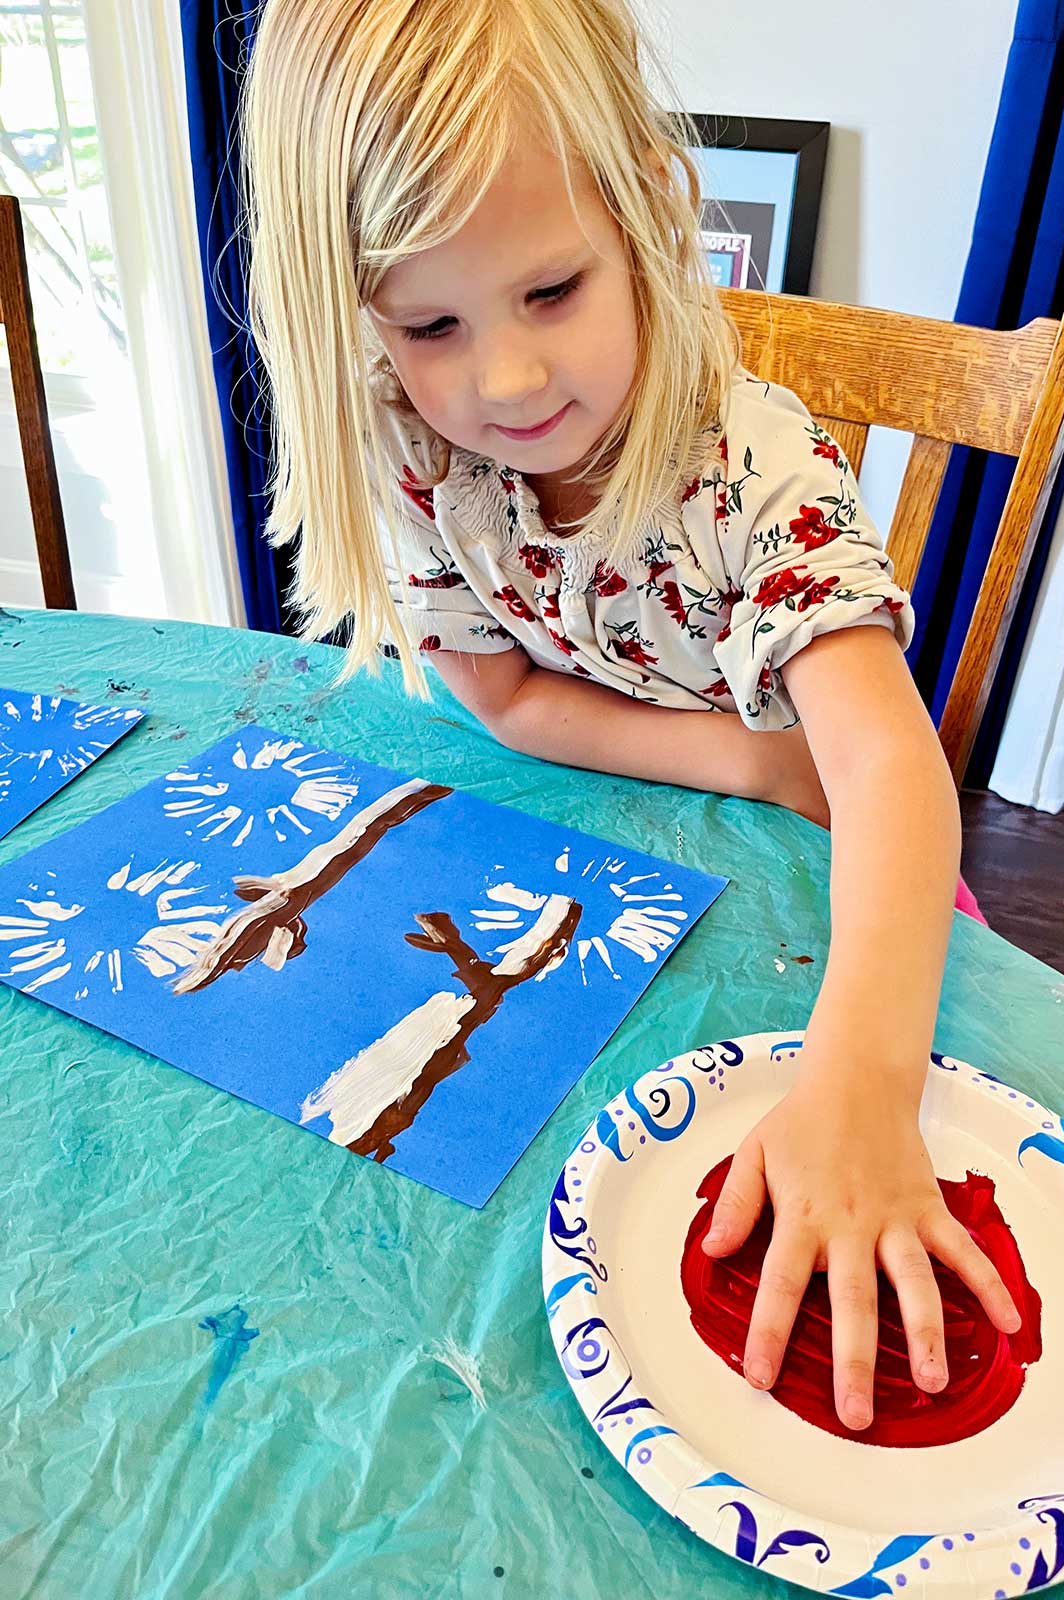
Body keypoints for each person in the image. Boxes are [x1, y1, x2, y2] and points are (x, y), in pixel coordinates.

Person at [242, 0, 1020, 1433]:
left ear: (651, 211)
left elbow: (893, 781)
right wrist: (741, 753)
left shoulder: (758, 466)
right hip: (632, 874)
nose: (508, 380)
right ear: (361, 318)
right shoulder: (416, 445)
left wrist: (862, 1083)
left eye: (551, 292)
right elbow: (501, 694)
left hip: (866, 909)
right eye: (430, 322)